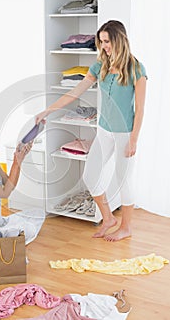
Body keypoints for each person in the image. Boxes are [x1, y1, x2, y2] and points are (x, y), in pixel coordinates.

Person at [35, 20, 147, 242]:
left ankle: (126, 227)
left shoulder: (136, 68)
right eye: (101, 41)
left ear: (119, 40)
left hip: (125, 133)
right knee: (90, 175)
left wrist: (134, 138)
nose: (104, 46)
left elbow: (140, 108)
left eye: (107, 41)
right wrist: (47, 110)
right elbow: (74, 93)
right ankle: (108, 219)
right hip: (104, 130)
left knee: (123, 180)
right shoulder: (100, 67)